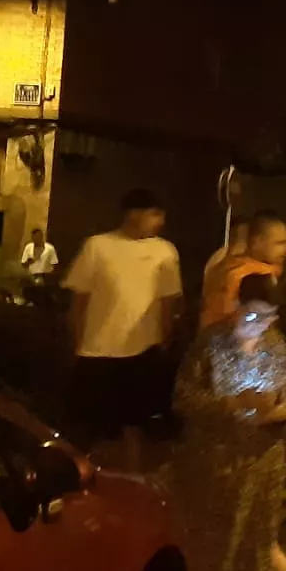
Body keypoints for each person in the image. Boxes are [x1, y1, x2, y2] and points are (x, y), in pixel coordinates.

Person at [172, 273, 286, 571]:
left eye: (269, 316)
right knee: (205, 537)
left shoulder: (276, 346)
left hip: (264, 459)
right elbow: (184, 397)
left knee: (259, 540)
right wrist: (231, 404)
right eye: (254, 314)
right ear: (239, 306)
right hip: (216, 459)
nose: (261, 323)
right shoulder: (211, 343)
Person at [62, 189, 183, 472]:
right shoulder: (97, 247)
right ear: (133, 214)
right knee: (86, 424)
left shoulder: (164, 251)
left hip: (143, 350)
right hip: (98, 350)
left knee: (136, 422)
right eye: (155, 214)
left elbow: (168, 301)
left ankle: (132, 475)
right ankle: (75, 475)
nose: (160, 222)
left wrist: (165, 339)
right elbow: (79, 300)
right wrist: (77, 341)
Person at [199, 212, 286, 330]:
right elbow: (262, 325)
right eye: (280, 243)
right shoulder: (256, 276)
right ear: (257, 242)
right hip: (233, 342)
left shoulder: (223, 266)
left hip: (211, 337)